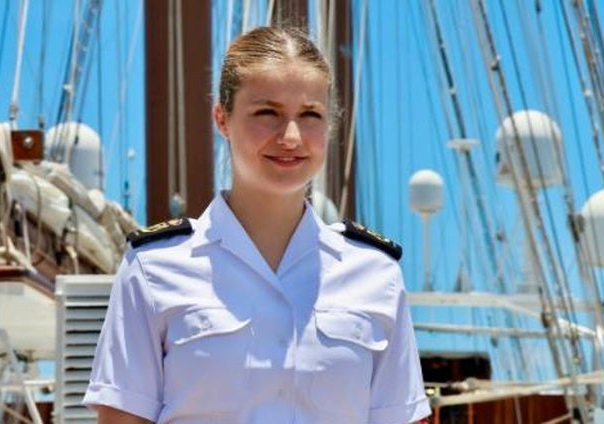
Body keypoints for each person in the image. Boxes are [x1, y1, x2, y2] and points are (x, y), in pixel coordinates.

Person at [83, 26, 431, 424]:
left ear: (329, 125)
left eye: (310, 115)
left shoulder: (376, 274)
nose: (291, 136)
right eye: (268, 113)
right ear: (222, 118)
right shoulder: (151, 269)